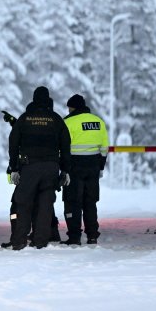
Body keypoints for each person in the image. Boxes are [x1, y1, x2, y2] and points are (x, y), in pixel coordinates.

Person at [7, 86, 71, 250]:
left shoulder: (25, 118)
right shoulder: (56, 119)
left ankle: (19, 240)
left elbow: (13, 143)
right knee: (45, 204)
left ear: (34, 99)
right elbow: (65, 146)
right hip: (51, 168)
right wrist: (65, 170)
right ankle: (40, 241)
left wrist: (14, 167)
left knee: (24, 203)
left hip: (29, 167)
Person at [0, 111, 62, 248]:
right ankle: (44, 236)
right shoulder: (54, 121)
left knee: (19, 205)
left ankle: (18, 237)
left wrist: (14, 167)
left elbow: (19, 138)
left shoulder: (26, 121)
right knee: (44, 205)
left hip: (28, 170)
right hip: (48, 170)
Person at [62, 94, 109, 245]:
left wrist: (63, 168)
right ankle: (92, 235)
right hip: (93, 165)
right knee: (90, 202)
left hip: (74, 165)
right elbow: (104, 148)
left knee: (73, 201)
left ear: (72, 107)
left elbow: (62, 147)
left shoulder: (68, 122)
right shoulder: (98, 122)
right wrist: (100, 167)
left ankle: (74, 237)